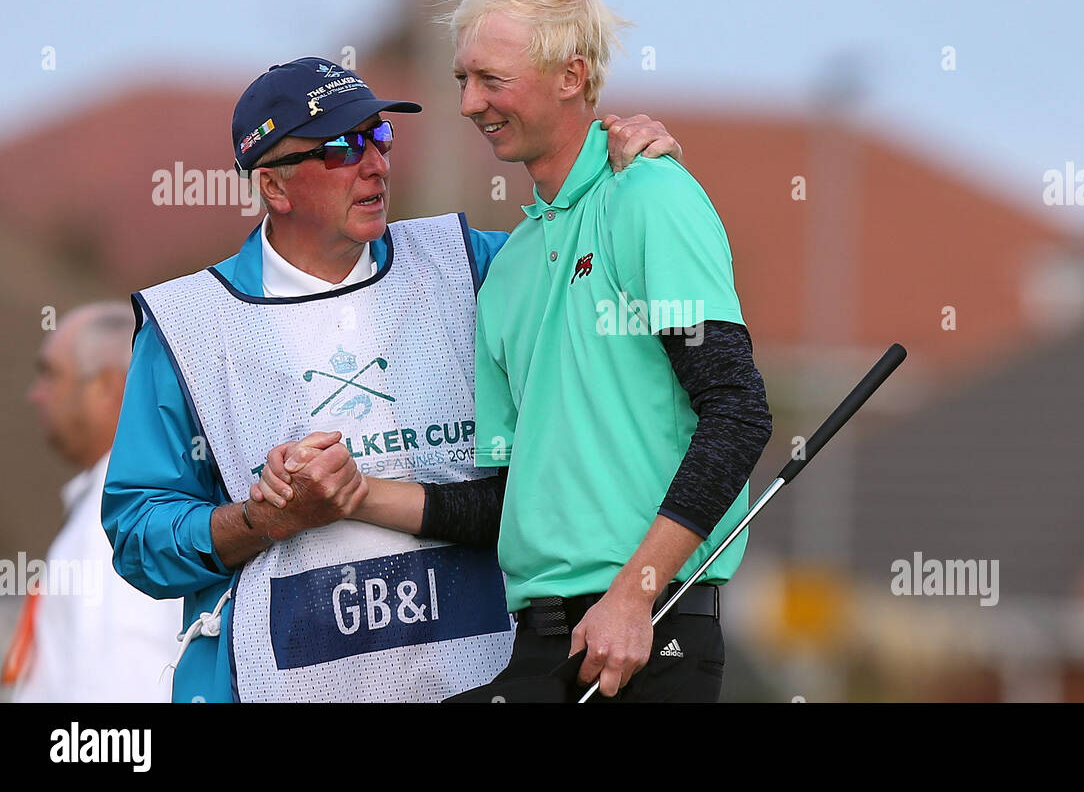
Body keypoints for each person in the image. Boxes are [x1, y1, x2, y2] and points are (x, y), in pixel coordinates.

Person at [102, 57, 680, 702]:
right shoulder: (186, 323)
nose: (376, 163)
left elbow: (599, 270)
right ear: (273, 187)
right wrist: (265, 519)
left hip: (482, 678)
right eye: (342, 148)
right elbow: (138, 535)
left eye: (380, 137)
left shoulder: (473, 263)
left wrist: (627, 174)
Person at [451, 0, 773, 701]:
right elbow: (504, 496)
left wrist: (636, 592)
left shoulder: (651, 197)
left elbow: (736, 410)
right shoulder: (511, 266)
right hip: (541, 637)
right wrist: (345, 497)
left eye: (491, 79)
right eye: (462, 80)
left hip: (646, 632)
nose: (469, 103)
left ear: (571, 76)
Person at [10, 303, 182, 702]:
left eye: (51, 375)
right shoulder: (128, 504)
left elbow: (119, 687)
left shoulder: (116, 521)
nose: (36, 395)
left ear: (109, 386)